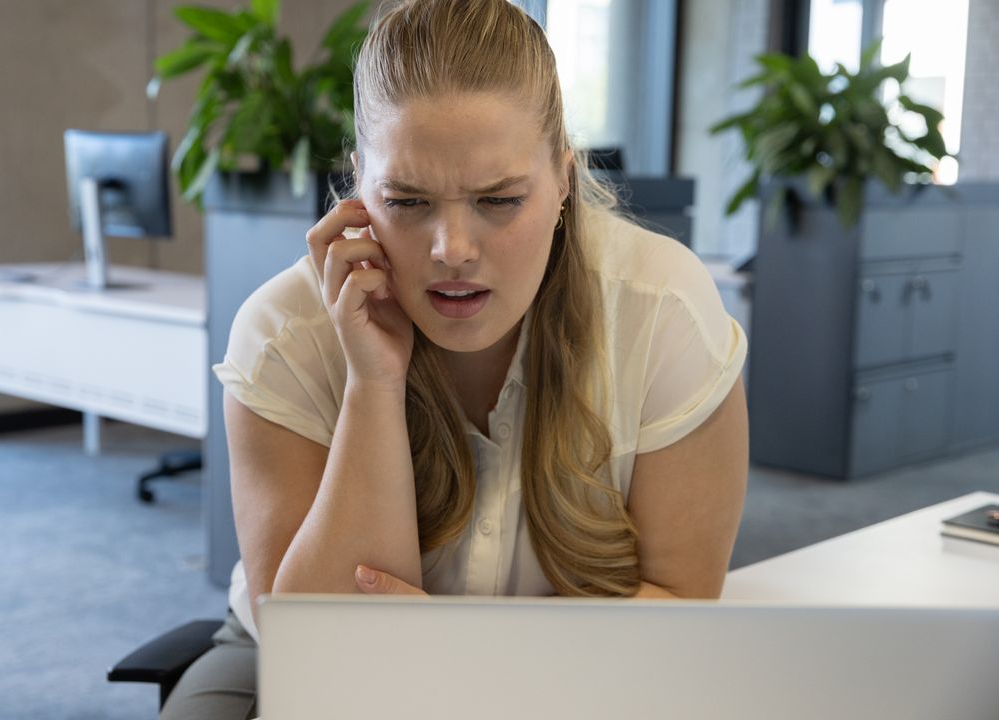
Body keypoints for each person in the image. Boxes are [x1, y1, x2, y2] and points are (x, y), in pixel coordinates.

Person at [159, 0, 748, 716]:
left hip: (574, 683)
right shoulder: (285, 332)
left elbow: (683, 612)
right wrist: (372, 386)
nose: (453, 250)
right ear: (357, 186)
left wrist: (458, 653)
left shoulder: (664, 310)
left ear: (563, 178)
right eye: (407, 201)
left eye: (499, 200)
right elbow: (331, 654)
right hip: (287, 670)